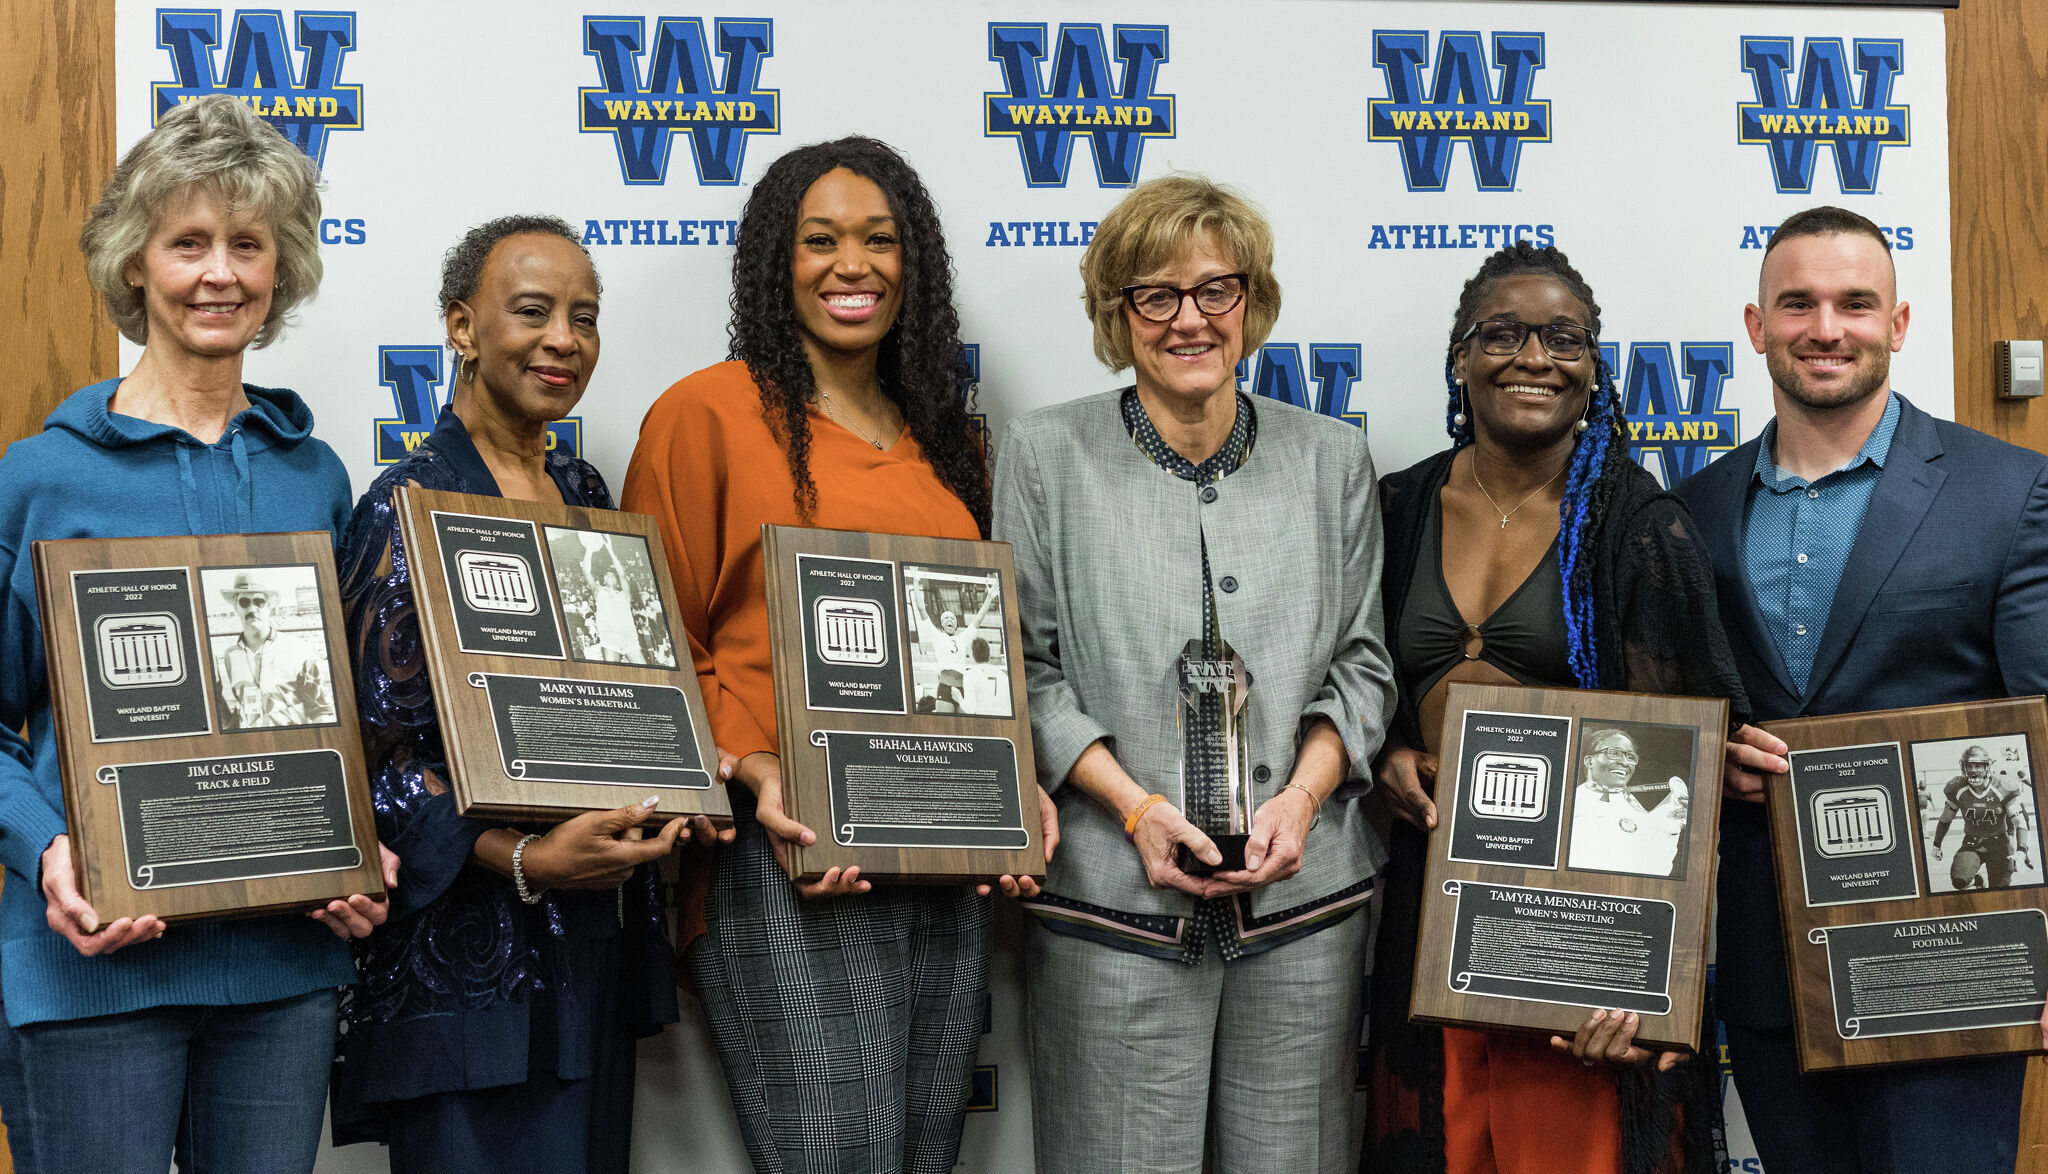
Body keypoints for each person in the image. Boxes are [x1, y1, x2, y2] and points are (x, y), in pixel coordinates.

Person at [622, 135, 1050, 1174]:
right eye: (819, 241)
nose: (850, 265)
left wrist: (1018, 782)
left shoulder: (949, 440)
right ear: (777, 261)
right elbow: (650, 649)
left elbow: (974, 654)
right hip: (780, 849)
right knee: (833, 1157)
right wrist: (755, 768)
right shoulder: (704, 412)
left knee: (919, 1155)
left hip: (941, 851)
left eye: (878, 240)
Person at [0, 93, 393, 1174]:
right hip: (94, 968)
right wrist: (49, 853)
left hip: (284, 971)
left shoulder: (313, 474)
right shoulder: (39, 478)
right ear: (136, 262)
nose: (218, 273)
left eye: (248, 244)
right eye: (188, 242)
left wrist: (359, 842)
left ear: (282, 270)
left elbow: (336, 710)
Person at [992, 173, 1391, 1174]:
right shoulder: (1044, 455)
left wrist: (1300, 798)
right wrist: (1131, 807)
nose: (1189, 319)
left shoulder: (1330, 458)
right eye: (1154, 294)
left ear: (1251, 301)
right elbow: (1022, 670)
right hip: (1110, 906)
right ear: (1114, 313)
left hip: (1303, 912)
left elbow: (1362, 666)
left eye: (1216, 288)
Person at [327, 215, 719, 1174]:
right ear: (461, 326)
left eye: (584, 318)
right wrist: (524, 859)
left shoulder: (590, 496)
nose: (564, 340)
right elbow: (367, 764)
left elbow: (628, 711)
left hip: (594, 945)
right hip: (470, 968)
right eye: (533, 312)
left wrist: (678, 793)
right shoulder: (405, 504)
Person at [1364, 242, 1758, 1174]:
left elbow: (1691, 773)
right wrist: (1383, 754)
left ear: (1594, 369)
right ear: (1460, 357)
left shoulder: (1639, 524)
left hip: (1578, 945)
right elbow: (1355, 680)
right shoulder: (1398, 506)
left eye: (1563, 338)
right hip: (1432, 915)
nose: (1533, 357)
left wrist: (1650, 985)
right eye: (1502, 333)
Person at [1679, 204, 2048, 1173]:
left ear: (1897, 323)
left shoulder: (2004, 492)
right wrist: (1709, 762)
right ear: (1756, 328)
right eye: (1795, 304)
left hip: (1950, 971)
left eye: (1853, 303)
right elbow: (1675, 717)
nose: (1824, 327)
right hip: (1769, 984)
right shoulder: (1693, 511)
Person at [212, 570, 332, 724]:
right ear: (236, 607)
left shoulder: (297, 649)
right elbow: (242, 705)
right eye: (244, 602)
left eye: (258, 601)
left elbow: (320, 710)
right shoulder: (231, 655)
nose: (252, 608)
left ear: (269, 606)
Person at [1566, 728, 1689, 878]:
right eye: (1614, 753)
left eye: (1630, 757)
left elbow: (1653, 868)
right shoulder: (1569, 802)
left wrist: (1669, 828)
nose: (1625, 762)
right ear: (1589, 761)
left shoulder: (1636, 809)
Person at [1930, 744, 2019, 890]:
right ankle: (1978, 882)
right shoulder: (1957, 787)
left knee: (1999, 891)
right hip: (1973, 842)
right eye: (1969, 766)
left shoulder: (2001, 784)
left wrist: (2014, 843)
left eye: (1978, 766)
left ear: (1987, 766)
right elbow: (1946, 819)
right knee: (1959, 882)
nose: (1973, 770)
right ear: (1963, 767)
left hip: (1999, 843)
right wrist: (1936, 844)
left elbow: (2015, 818)